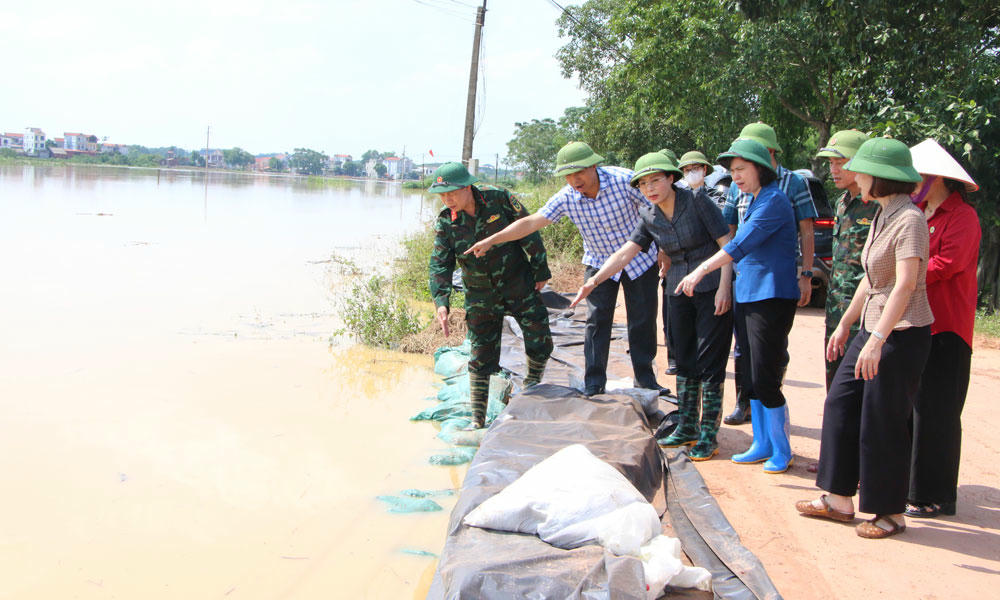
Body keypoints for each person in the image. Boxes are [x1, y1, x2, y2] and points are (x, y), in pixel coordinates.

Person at [796, 137, 932, 539]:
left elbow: (905, 285)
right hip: (874, 327)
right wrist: (846, 324)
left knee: (883, 419)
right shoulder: (882, 215)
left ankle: (890, 512)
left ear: (882, 177)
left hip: (902, 333)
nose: (855, 175)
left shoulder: (910, 220)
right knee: (841, 402)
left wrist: (877, 341)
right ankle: (838, 498)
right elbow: (872, 281)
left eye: (862, 169)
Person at [570, 153, 733, 460]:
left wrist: (726, 287)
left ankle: (709, 433)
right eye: (643, 183)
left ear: (672, 178)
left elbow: (728, 245)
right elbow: (623, 254)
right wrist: (593, 281)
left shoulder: (698, 202)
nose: (649, 188)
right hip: (677, 289)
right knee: (684, 357)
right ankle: (687, 426)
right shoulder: (649, 215)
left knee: (709, 360)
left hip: (711, 285)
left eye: (656, 180)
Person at [466, 142, 662, 397]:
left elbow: (659, 206)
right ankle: (594, 382)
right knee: (596, 321)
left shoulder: (625, 181)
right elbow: (532, 222)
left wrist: (665, 248)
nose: (574, 180)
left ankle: (646, 380)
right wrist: (492, 239)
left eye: (579, 172)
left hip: (640, 258)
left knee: (642, 320)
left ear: (594, 166)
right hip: (599, 261)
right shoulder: (567, 197)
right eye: (568, 175)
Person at [675, 139, 799, 473]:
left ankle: (781, 449)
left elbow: (740, 245)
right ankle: (761, 443)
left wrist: (702, 269)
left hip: (771, 296)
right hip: (748, 293)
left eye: (742, 169)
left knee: (766, 374)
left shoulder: (774, 201)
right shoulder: (756, 199)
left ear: (761, 168)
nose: (737, 177)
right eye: (733, 171)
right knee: (752, 375)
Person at [427, 162, 554, 429]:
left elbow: (528, 228)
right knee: (481, 355)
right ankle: (477, 417)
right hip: (479, 293)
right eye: (442, 194)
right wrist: (442, 301)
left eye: (451, 193)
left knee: (539, 336)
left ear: (467, 187)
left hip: (517, 281)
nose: (447, 199)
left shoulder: (499, 198)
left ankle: (530, 386)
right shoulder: (446, 222)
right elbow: (440, 263)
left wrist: (540, 268)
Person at [722, 122, 818, 426]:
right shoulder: (738, 183)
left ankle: (771, 408)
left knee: (771, 351)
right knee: (744, 349)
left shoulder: (791, 185)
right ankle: (745, 403)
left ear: (769, 152)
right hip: (745, 278)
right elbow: (730, 230)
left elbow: (807, 230)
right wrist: (728, 278)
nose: (737, 171)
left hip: (774, 279)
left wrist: (806, 272)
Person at [906, 138, 981, 519]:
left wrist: (905, 276)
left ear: (936, 178)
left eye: (919, 175)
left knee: (939, 412)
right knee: (914, 408)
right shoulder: (918, 213)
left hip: (949, 328)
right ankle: (912, 486)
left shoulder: (962, 217)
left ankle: (935, 494)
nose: (913, 181)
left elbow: (947, 264)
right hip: (918, 322)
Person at [807, 129, 876, 474]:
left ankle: (863, 467)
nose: (834, 169)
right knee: (835, 386)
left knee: (862, 391)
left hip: (866, 313)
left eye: (841, 161)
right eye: (831, 162)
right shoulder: (843, 203)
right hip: (836, 309)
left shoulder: (877, 204)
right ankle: (836, 461)